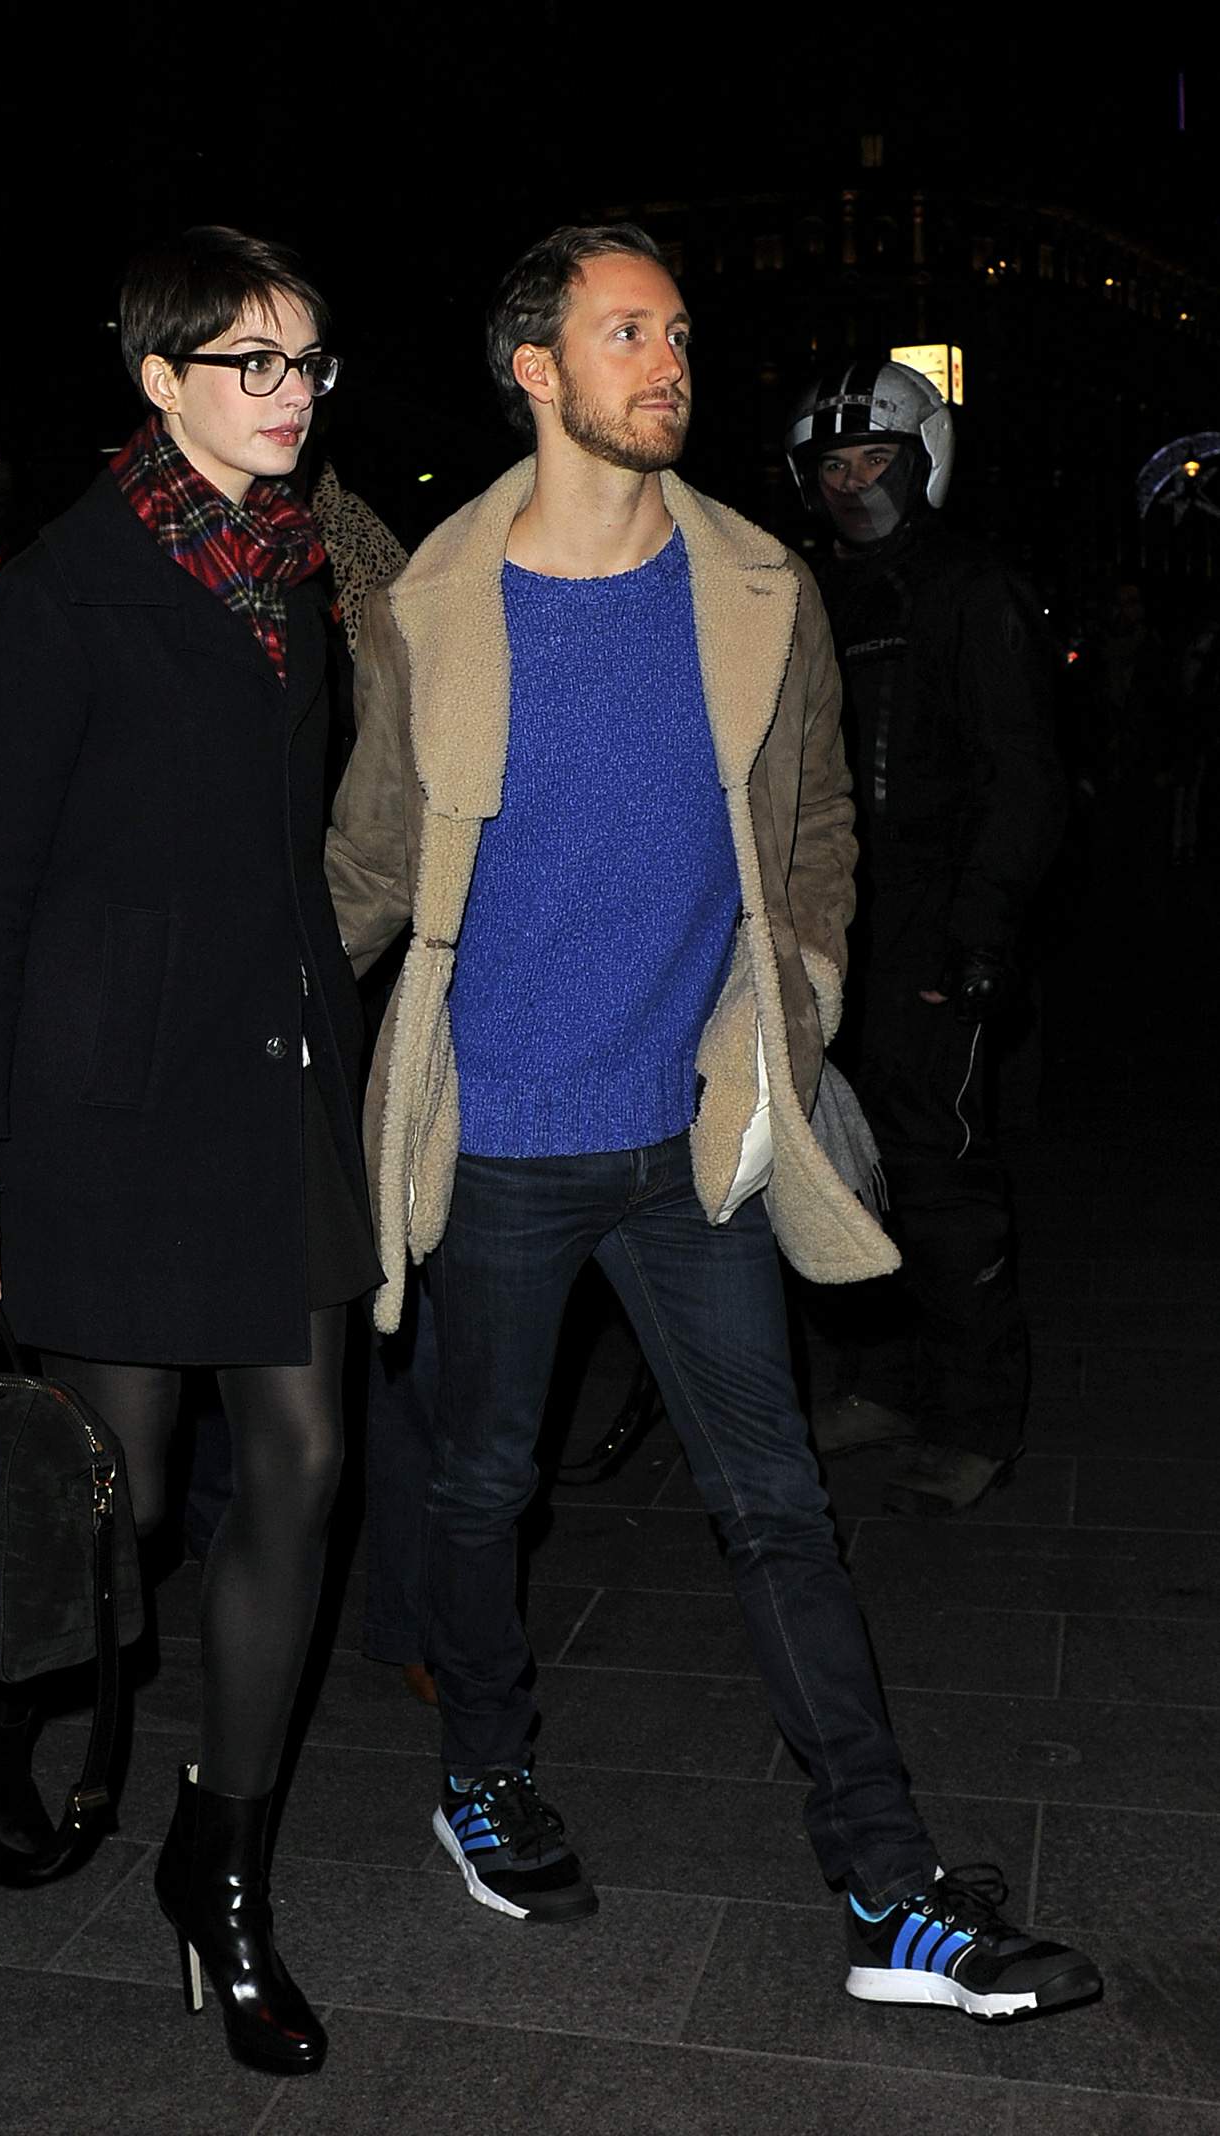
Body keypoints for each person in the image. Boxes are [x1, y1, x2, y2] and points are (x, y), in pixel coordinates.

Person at [325, 223, 1100, 2022]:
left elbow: (815, 823)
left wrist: (798, 997)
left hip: (689, 1142)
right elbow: (365, 867)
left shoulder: (757, 583)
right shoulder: (431, 601)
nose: (665, 360)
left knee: (776, 1508)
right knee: (476, 1485)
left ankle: (887, 1889)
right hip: (498, 1137)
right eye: (622, 333)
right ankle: (481, 1775)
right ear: (533, 368)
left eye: (673, 331)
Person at [0, 226, 378, 2079]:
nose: (286, 395)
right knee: (130, 1509)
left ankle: (222, 1868)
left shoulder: (295, 572)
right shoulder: (63, 591)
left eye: (307, 362)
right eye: (246, 362)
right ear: (155, 378)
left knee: (309, 1460)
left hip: (275, 1093)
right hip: (106, 1113)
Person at [785, 361, 1066, 1512]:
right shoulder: (804, 592)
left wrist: (981, 933)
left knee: (937, 1175)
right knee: (837, 1173)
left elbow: (1025, 781)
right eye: (832, 467)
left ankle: (976, 1416)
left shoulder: (968, 590)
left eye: (873, 463)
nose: (853, 485)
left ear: (922, 462)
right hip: (830, 923)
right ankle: (881, 1381)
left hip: (935, 927)